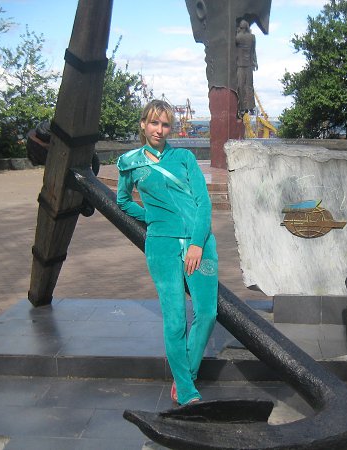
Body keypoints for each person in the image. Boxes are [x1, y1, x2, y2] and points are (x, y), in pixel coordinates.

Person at [116, 100, 218, 405]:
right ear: (143, 125)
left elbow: (203, 202)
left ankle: (186, 373)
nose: (159, 130)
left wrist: (197, 243)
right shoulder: (130, 163)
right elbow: (123, 200)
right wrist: (151, 217)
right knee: (175, 321)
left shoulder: (184, 157)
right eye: (154, 123)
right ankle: (186, 390)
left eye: (165, 124)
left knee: (207, 313)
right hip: (162, 246)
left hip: (200, 243)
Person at [235, 19, 257, 114]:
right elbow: (253, 51)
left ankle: (242, 108)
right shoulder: (252, 37)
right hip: (249, 65)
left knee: (241, 86)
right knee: (249, 86)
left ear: (240, 28)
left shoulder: (238, 37)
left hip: (240, 65)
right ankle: (251, 107)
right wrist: (255, 62)